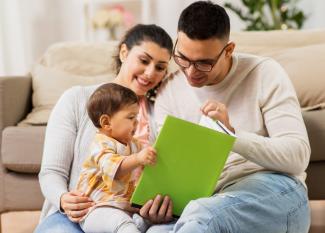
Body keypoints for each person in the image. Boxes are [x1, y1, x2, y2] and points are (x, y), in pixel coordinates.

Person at [148, 1, 311, 233]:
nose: (191, 72)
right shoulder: (169, 91)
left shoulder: (265, 73)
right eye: (182, 58)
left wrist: (229, 135)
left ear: (229, 50)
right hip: (207, 200)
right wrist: (161, 206)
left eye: (204, 63)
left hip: (275, 190)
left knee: (203, 215)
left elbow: (297, 156)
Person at [35, 24, 174, 233]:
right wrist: (64, 200)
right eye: (144, 61)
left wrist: (156, 210)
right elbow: (52, 172)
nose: (150, 73)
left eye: (160, 67)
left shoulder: (160, 117)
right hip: (75, 216)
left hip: (133, 219)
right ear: (124, 52)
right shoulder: (77, 99)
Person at [77, 83, 157, 233]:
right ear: (106, 123)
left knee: (146, 223)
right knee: (125, 226)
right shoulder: (100, 144)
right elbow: (114, 168)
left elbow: (145, 165)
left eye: (137, 116)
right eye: (131, 117)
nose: (137, 122)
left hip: (124, 209)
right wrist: (139, 159)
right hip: (97, 210)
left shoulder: (134, 145)